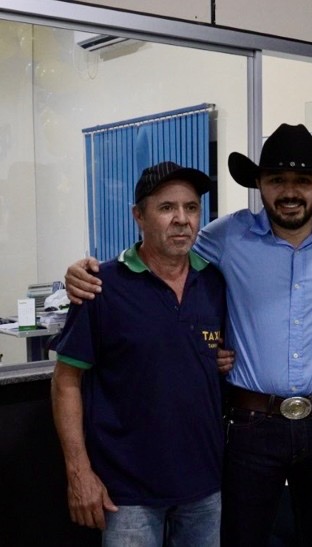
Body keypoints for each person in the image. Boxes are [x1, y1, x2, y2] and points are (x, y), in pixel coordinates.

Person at [65, 124, 312, 546]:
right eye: (277, 180)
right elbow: (160, 254)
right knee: (242, 538)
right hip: (252, 425)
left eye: (303, 181)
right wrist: (83, 272)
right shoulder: (225, 237)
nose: (290, 191)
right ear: (259, 184)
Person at [52, 161, 227, 545]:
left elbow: (207, 354)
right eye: (167, 208)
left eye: (191, 208)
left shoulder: (213, 282)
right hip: (126, 491)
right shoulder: (101, 287)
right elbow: (66, 381)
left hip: (204, 484)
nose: (182, 219)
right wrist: (79, 472)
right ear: (138, 216)